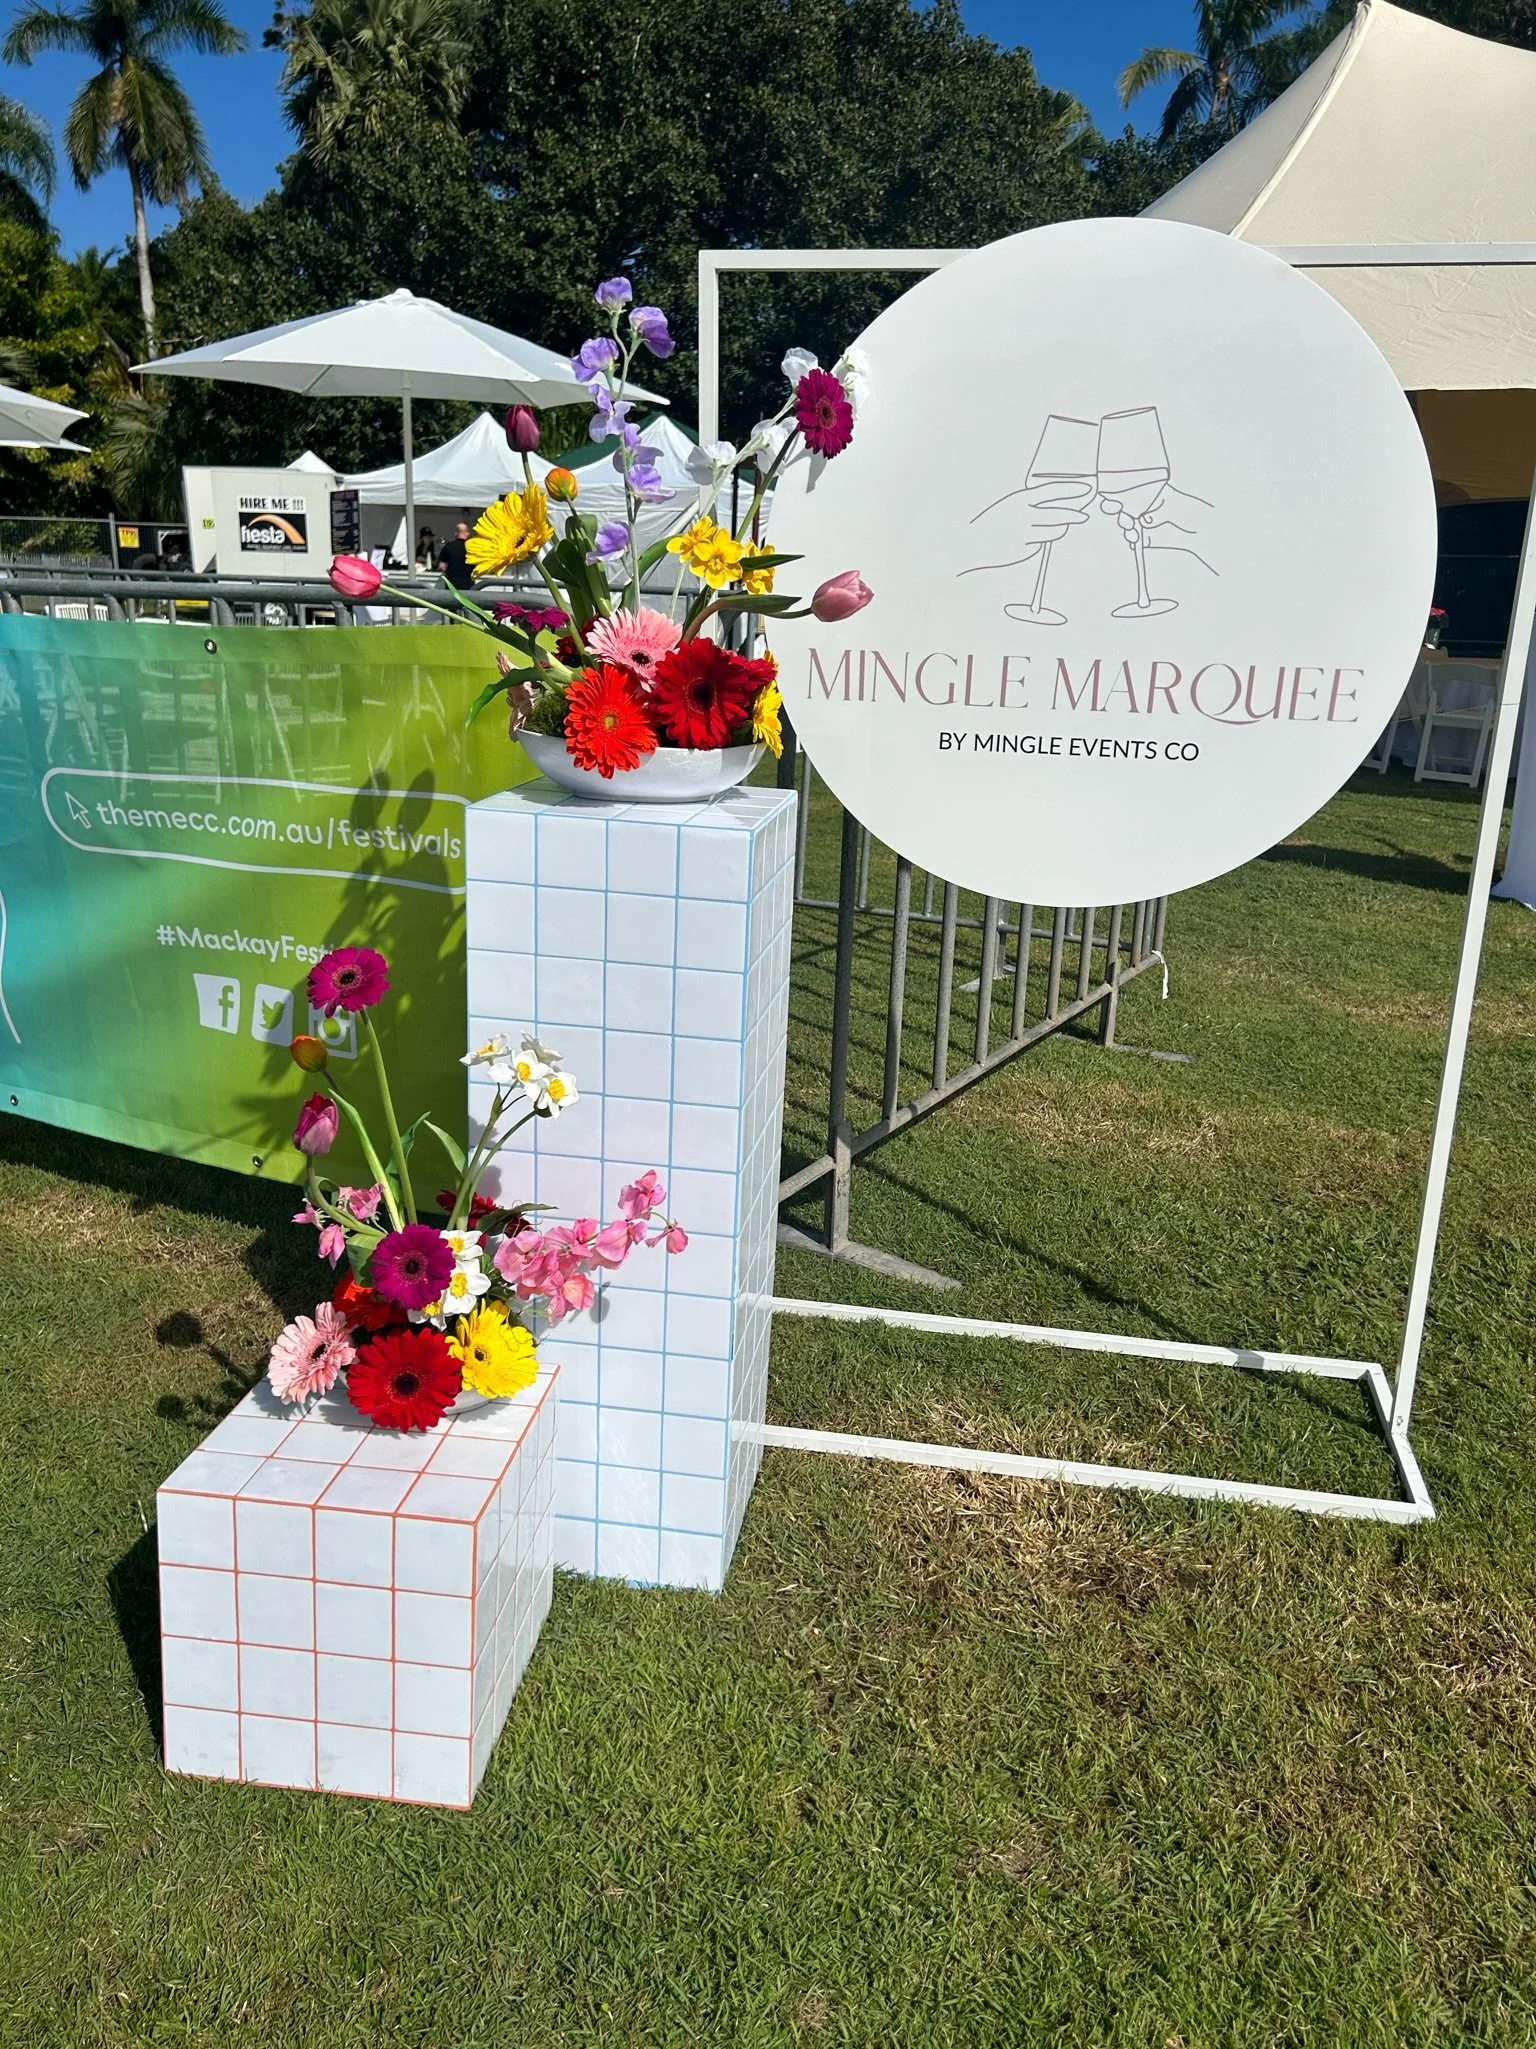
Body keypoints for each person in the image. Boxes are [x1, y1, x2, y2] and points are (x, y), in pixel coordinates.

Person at [436, 520, 473, 590]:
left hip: (452, 585)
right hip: (468, 584)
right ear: (467, 533)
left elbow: (441, 566)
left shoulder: (449, 546)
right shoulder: (473, 547)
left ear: (456, 533)